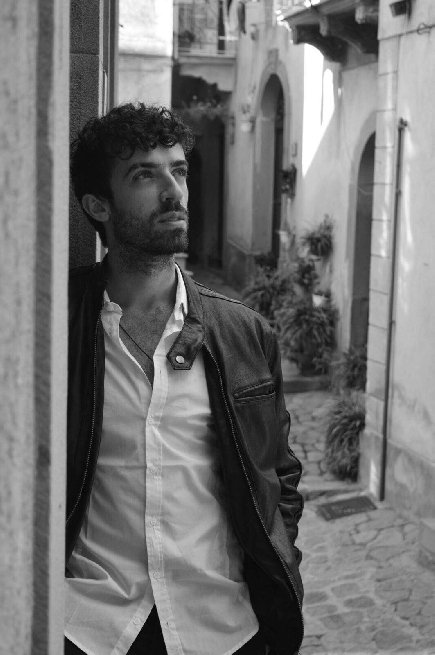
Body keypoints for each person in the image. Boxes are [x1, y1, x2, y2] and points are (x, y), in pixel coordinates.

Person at [65, 103, 304, 655]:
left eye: (179, 170)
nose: (174, 192)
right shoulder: (54, 323)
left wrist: (280, 560)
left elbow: (279, 474)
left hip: (222, 628)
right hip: (88, 626)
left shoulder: (245, 334)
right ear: (98, 205)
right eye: (144, 175)